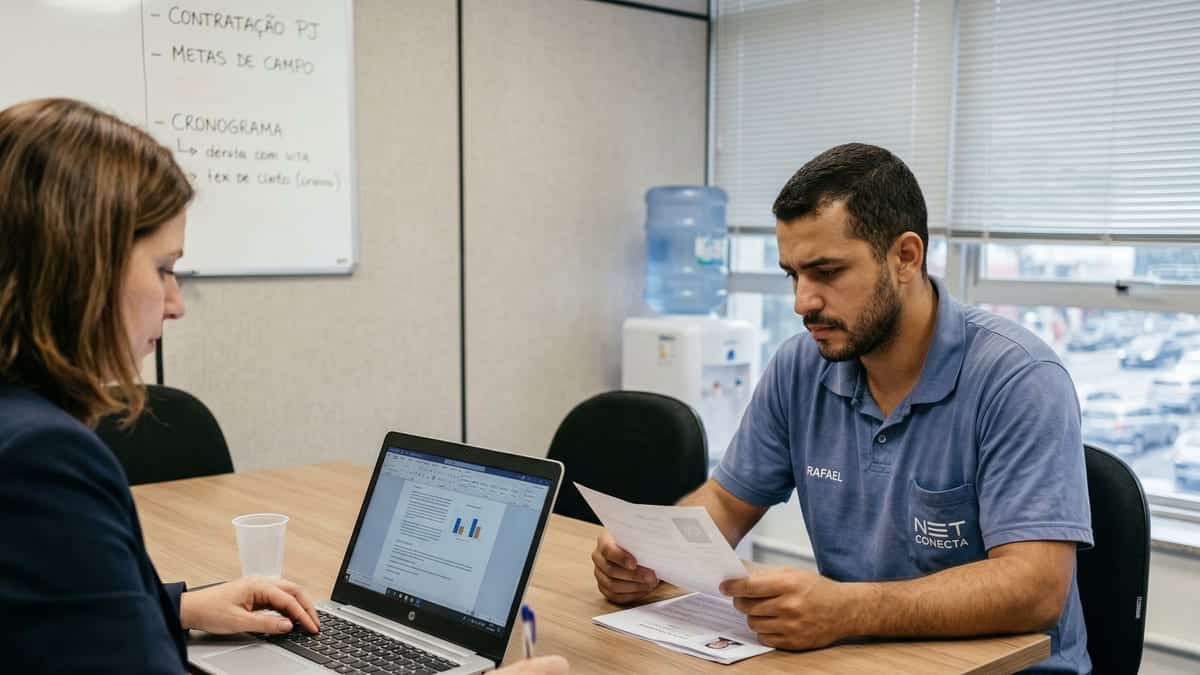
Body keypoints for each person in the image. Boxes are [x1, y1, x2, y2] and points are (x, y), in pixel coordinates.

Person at [0, 98, 567, 675]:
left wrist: (176, 605)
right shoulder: (41, 457)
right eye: (164, 268)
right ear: (83, 264)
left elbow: (40, 613)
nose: (176, 305)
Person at [592, 143, 1092, 673]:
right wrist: (649, 554)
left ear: (905, 257)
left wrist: (848, 609)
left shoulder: (1018, 378)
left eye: (826, 272)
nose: (802, 301)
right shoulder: (800, 367)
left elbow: (1035, 588)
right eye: (793, 274)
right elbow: (727, 502)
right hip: (859, 659)